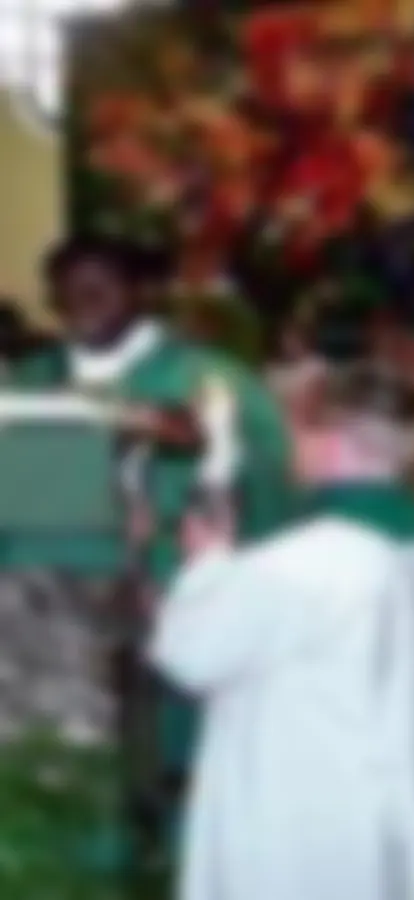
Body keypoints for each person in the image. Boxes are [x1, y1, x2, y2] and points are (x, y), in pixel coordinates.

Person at [148, 363, 414, 900]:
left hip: (307, 838)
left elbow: (188, 650)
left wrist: (205, 563)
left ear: (331, 440)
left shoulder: (295, 567)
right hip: (412, 837)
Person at [2, 236, 297, 829]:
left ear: (140, 294)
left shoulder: (211, 379)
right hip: (42, 627)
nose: (81, 303)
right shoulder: (29, 382)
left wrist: (202, 449)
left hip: (170, 607)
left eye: (99, 288)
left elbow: (271, 487)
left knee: (168, 798)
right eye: (66, 293)